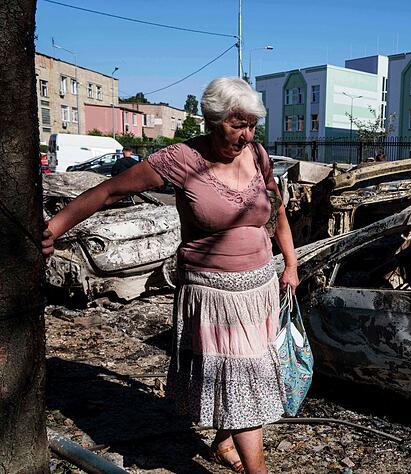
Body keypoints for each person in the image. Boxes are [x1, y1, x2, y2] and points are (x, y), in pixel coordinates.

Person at [41, 77, 299, 474]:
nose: (246, 135)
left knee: (246, 374)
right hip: (215, 294)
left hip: (260, 287)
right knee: (244, 379)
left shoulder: (258, 155)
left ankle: (223, 440)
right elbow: (110, 191)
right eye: (236, 124)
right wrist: (53, 229)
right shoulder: (181, 159)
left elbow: (278, 209)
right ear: (212, 120)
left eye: (251, 125)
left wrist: (291, 264)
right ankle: (257, 470)